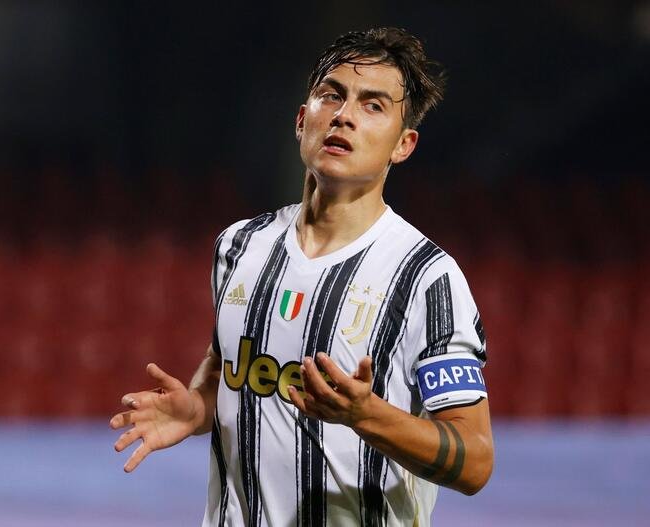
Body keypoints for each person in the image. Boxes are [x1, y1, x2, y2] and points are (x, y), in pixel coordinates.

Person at [110, 27, 493, 526]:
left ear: (403, 145)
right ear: (301, 119)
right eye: (331, 95)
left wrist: (367, 416)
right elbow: (227, 368)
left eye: (372, 105)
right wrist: (198, 409)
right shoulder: (239, 246)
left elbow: (475, 461)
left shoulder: (427, 279)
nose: (344, 115)